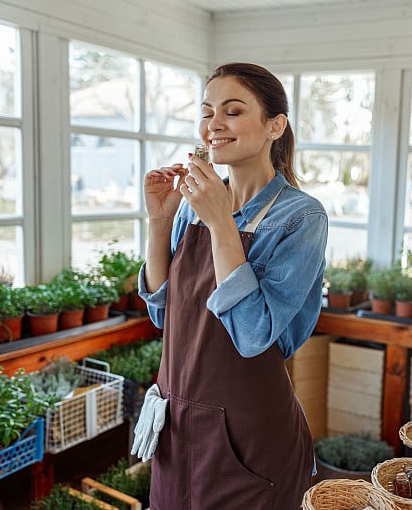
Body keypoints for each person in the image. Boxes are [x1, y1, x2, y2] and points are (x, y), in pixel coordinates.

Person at [132, 62, 329, 509]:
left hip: (248, 436)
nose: (213, 124)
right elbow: (166, 315)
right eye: (206, 112)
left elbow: (253, 335)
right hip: (178, 423)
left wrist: (221, 221)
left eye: (233, 111)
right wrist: (159, 223)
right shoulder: (191, 206)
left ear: (274, 126)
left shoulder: (300, 217)